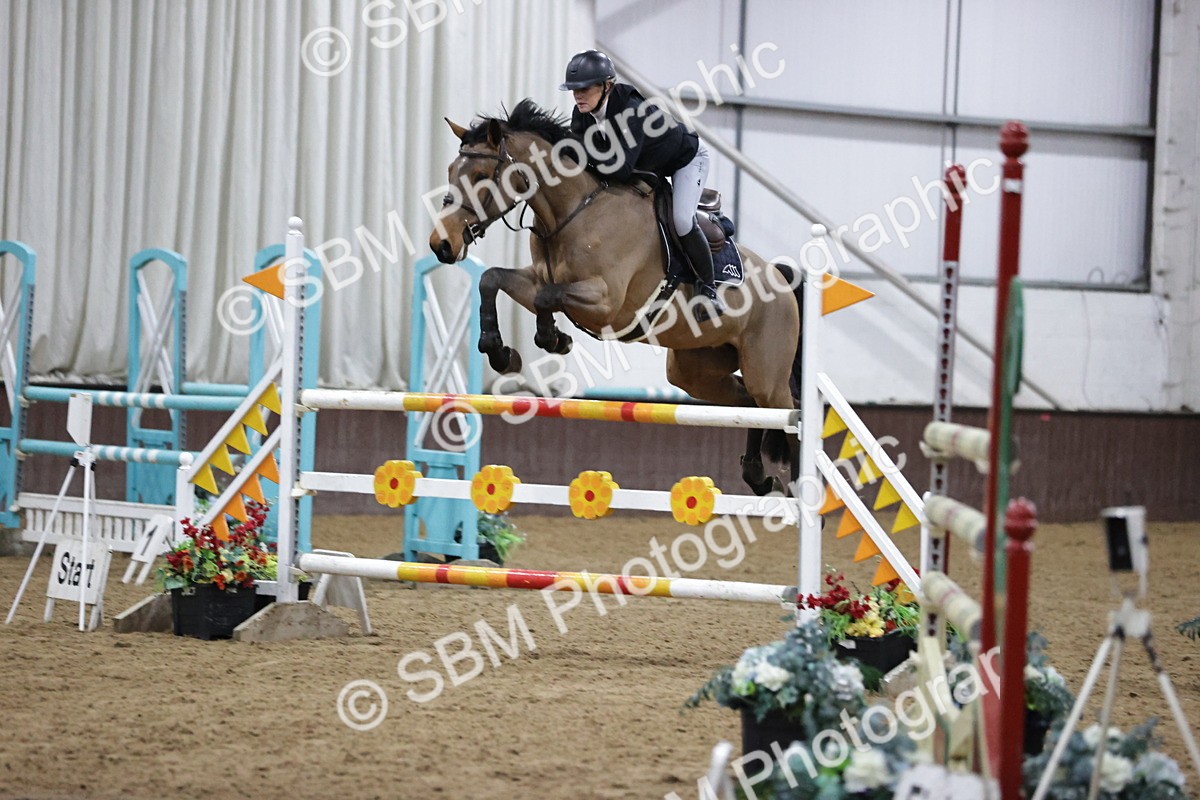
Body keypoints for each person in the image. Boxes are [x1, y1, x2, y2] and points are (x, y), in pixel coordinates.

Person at [559, 49, 724, 319]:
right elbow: (579, 156)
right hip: (650, 164)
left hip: (687, 159)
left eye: (584, 88)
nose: (578, 95)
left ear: (606, 86)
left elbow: (621, 169)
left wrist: (578, 151)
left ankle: (709, 290)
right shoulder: (583, 113)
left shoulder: (631, 111)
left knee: (682, 220)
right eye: (574, 89)